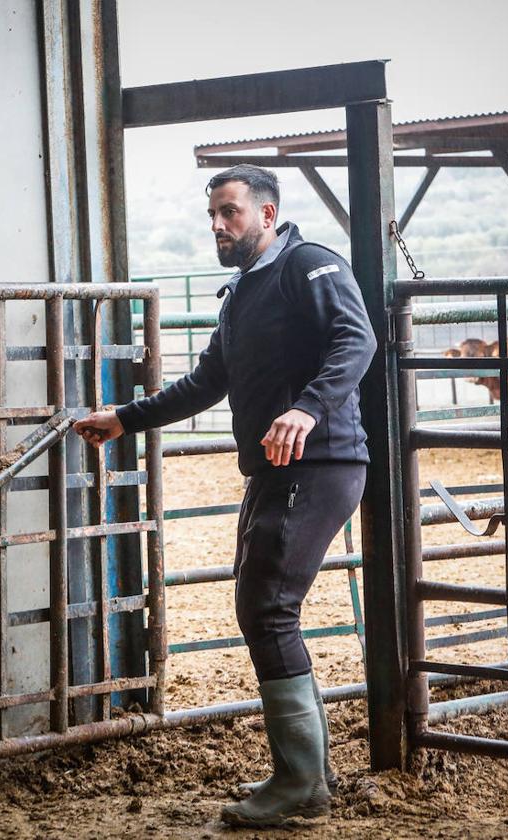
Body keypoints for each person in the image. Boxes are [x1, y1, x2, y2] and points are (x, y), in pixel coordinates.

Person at [74, 164, 375, 827]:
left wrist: (308, 410)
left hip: (319, 460)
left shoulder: (310, 267)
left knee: (267, 607)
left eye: (231, 212)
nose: (218, 224)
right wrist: (125, 418)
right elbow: (210, 379)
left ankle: (300, 782)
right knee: (262, 602)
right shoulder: (243, 293)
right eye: (212, 214)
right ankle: (309, 771)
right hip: (273, 468)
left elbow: (357, 340)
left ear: (267, 215)